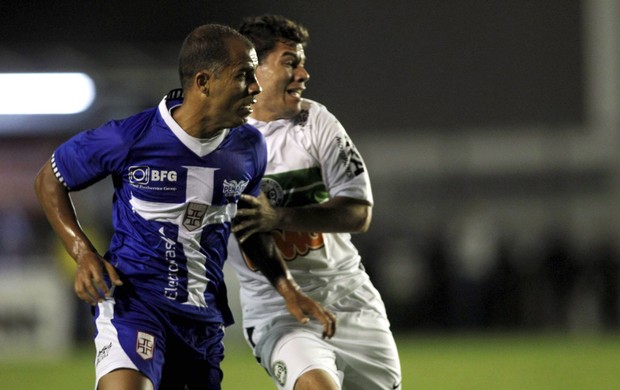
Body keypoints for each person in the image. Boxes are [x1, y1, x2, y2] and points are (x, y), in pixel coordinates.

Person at [34, 23, 335, 390]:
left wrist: (287, 289)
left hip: (200, 321)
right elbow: (49, 179)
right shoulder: (129, 138)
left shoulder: (249, 148)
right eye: (244, 76)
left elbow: (248, 224)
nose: (256, 87)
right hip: (134, 303)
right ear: (204, 82)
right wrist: (82, 252)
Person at [228, 14, 402, 390]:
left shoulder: (316, 121)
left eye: (302, 63)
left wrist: (279, 217)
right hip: (279, 312)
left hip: (350, 300)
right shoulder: (220, 141)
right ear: (254, 71)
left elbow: (358, 213)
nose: (303, 74)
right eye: (290, 62)